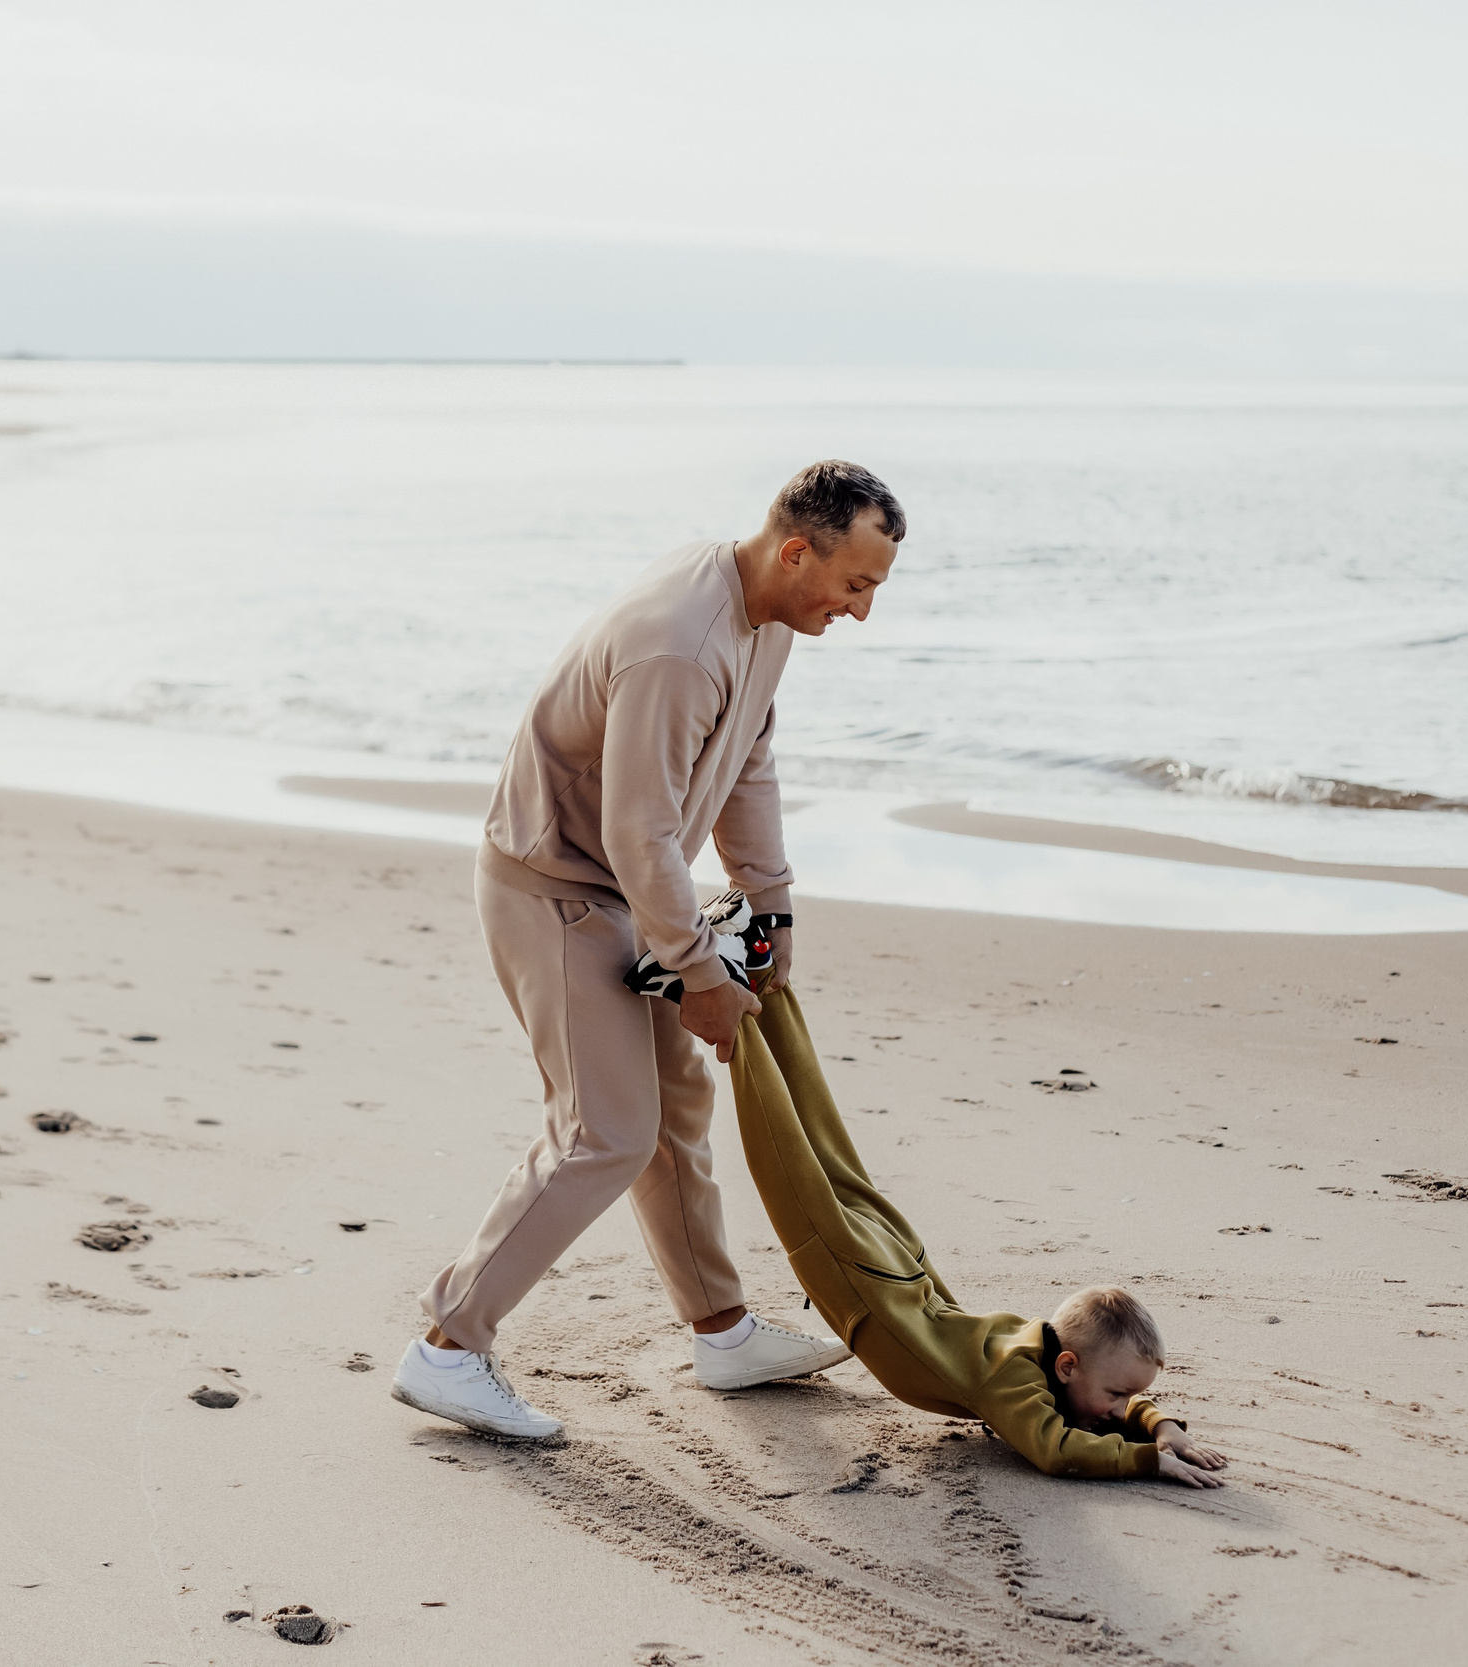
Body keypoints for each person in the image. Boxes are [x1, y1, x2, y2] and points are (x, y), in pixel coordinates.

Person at [393, 461, 905, 1442]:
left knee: (673, 1113)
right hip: (554, 893)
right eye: (855, 585)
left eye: (873, 588)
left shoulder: (762, 616)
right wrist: (703, 976)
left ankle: (722, 1334)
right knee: (605, 1131)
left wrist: (769, 899)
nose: (860, 610)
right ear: (797, 550)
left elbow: (747, 752)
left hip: (618, 887)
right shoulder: (681, 643)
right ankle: (447, 1349)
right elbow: (640, 834)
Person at [727, 982, 1230, 1485]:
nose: (1121, 1409)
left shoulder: (1042, 1349)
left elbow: (1111, 1390)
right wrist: (1148, 1459)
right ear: (1068, 1367)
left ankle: (764, 978)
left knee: (820, 1138)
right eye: (1118, 1396)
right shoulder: (1014, 1381)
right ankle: (736, 1001)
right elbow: (1055, 1450)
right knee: (785, 1149)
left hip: (900, 1273)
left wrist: (1161, 1425)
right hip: (874, 1290)